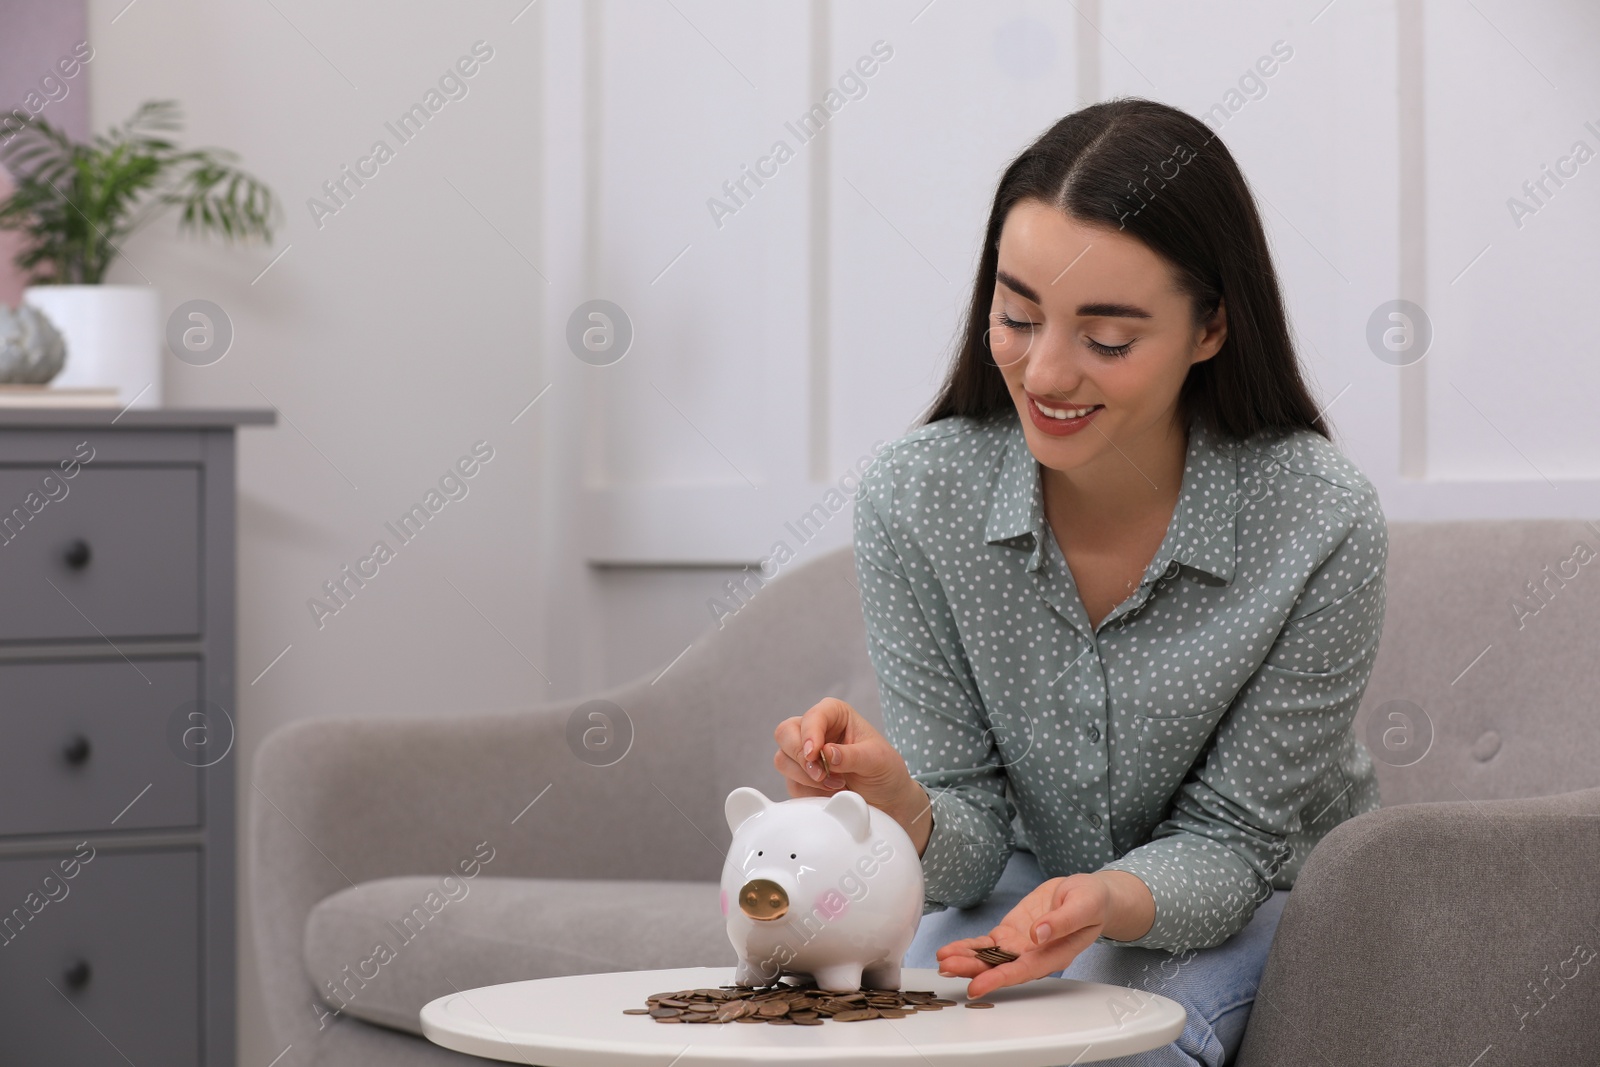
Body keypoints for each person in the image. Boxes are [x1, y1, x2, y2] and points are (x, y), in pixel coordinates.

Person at [771, 97, 1387, 1066]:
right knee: (862, 1038)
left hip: (1255, 892)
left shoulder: (1316, 516)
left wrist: (1107, 899)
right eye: (1017, 315)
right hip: (1023, 878)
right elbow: (966, 840)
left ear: (1211, 327)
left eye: (1107, 338)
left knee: (1101, 1048)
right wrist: (904, 804)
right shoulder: (918, 495)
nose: (1045, 370)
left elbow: (1233, 843)